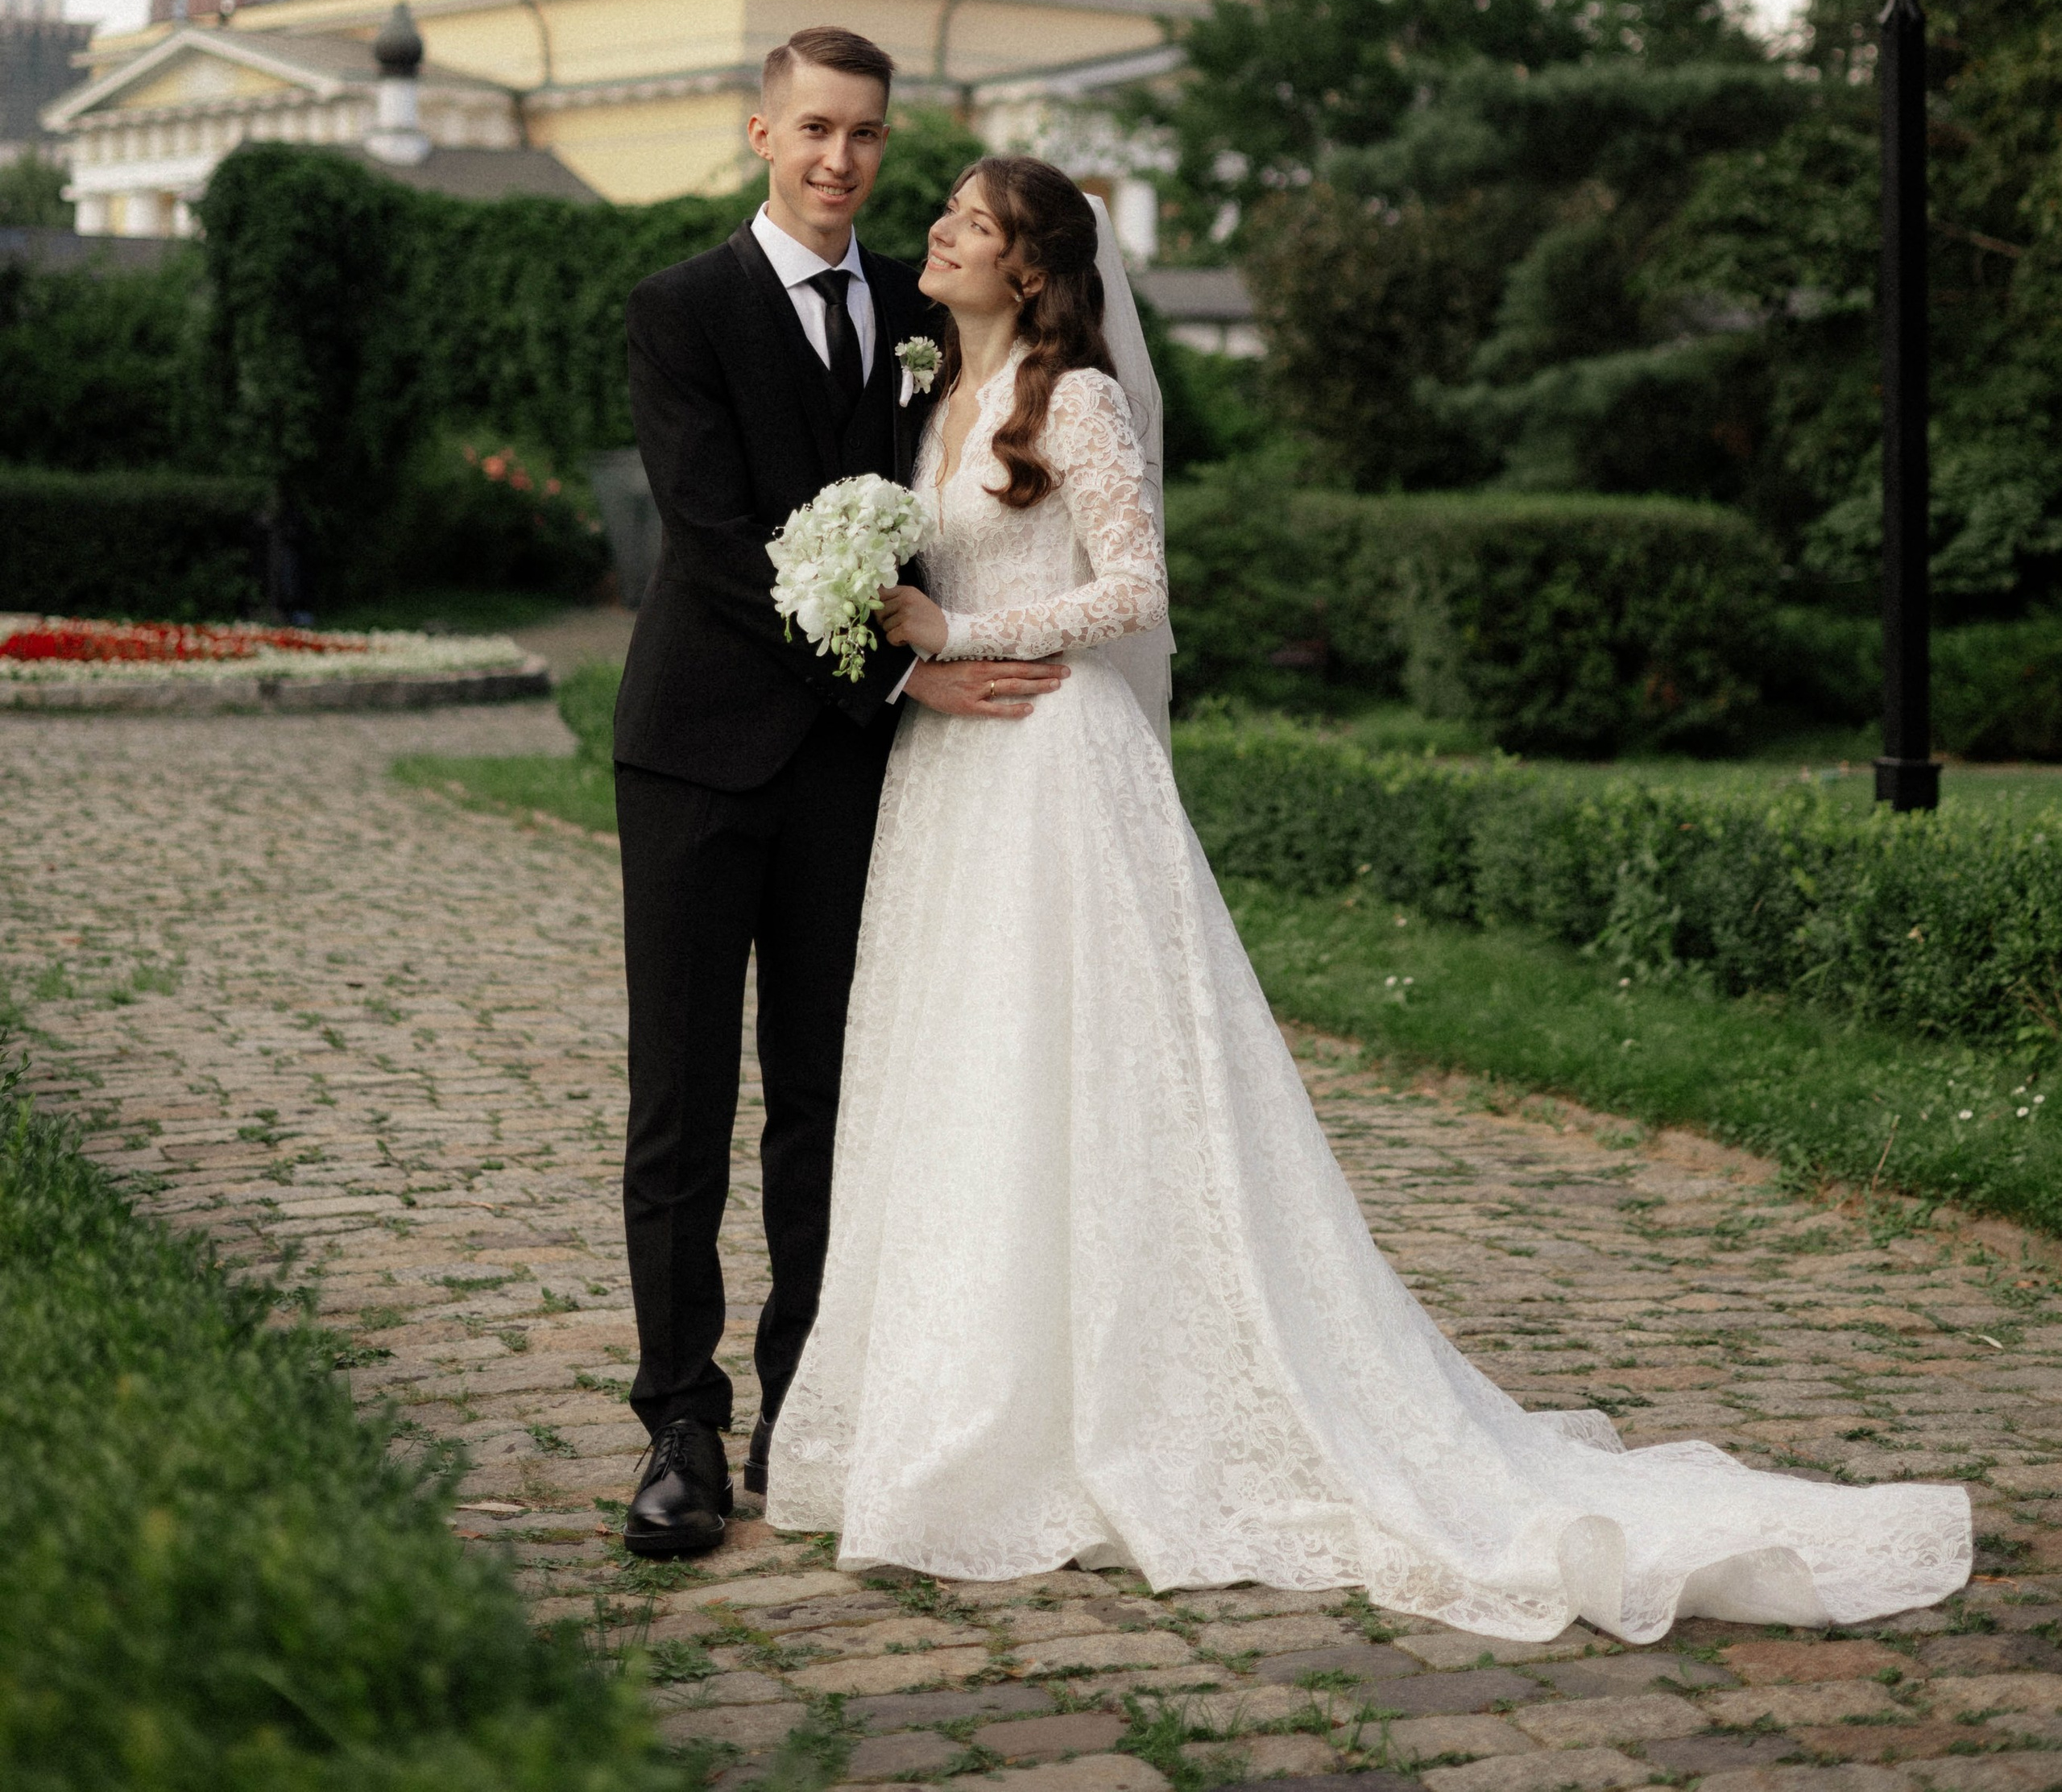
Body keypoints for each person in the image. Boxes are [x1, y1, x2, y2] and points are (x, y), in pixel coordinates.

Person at [767, 153, 1972, 1639]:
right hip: (951, 775)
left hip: (1056, 767)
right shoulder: (926, 394)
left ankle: (1129, 1406)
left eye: (969, 221)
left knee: (1084, 1075)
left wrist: (971, 622)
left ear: (1029, 270)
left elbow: (1135, 591)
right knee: (961, 1079)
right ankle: (967, 1404)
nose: (935, 230)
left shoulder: (1069, 399)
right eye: (941, 210)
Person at [612, 27, 1070, 1559]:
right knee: (681, 1101)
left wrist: (949, 659)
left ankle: (806, 1404)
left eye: (867, 136)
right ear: (760, 130)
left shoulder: (921, 313)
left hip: (850, 780)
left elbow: (952, 523)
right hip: (695, 750)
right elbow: (718, 539)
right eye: (814, 128)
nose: (840, 161)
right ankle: (680, 1423)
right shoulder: (679, 309)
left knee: (823, 1098)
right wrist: (898, 676)